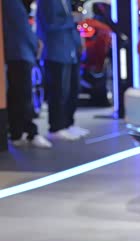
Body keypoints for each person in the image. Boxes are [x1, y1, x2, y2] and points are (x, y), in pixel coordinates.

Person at [36, 0, 89, 140]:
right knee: (59, 91)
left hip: (70, 50)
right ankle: (56, 127)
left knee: (72, 89)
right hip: (56, 51)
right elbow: (51, 23)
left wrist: (78, 44)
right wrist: (72, 19)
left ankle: (68, 123)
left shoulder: (66, 2)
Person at [2, 0, 52, 147]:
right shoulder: (12, 3)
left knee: (18, 94)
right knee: (23, 94)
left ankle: (18, 132)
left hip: (17, 52)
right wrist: (36, 43)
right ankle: (27, 132)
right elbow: (22, 27)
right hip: (19, 53)